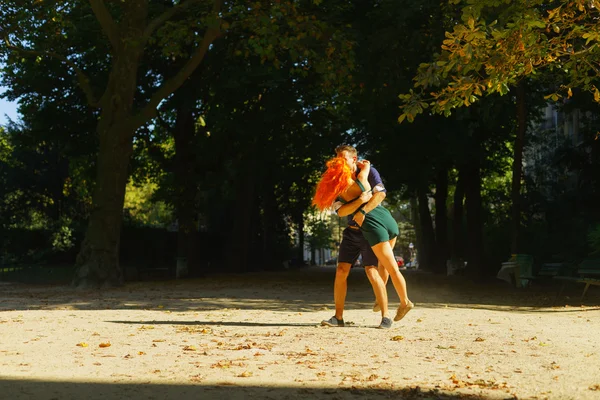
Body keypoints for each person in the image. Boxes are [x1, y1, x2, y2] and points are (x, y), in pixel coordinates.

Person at [313, 151, 414, 326]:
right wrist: (360, 202)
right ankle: (338, 318)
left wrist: (362, 210)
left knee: (376, 269)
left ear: (354, 159)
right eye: (336, 158)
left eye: (342, 158)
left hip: (372, 227)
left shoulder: (368, 172)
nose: (338, 161)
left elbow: (379, 194)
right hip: (353, 231)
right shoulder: (336, 182)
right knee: (342, 270)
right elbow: (341, 211)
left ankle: (387, 313)